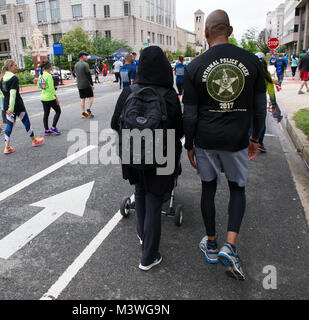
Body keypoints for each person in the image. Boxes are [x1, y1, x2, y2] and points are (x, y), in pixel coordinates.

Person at [183, 10, 266, 281]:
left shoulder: (194, 66)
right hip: (237, 140)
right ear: (229, 31)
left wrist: (189, 144)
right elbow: (259, 107)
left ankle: (210, 243)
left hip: (206, 140)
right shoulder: (252, 61)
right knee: (237, 188)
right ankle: (230, 245)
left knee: (208, 188)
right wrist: (255, 138)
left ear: (206, 33)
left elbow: (191, 112)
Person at [111, 46, 183, 271]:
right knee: (154, 199)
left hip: (132, 152)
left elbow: (115, 123)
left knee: (140, 192)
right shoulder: (169, 95)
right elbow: (179, 130)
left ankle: (143, 237)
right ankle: (148, 256)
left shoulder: (129, 92)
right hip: (163, 155)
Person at [0, 59, 45, 154]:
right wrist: (11, 108)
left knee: (9, 126)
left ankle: (7, 147)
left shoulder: (3, 77)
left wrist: (3, 97)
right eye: (15, 65)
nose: (17, 67)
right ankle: (34, 140)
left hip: (7, 106)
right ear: (9, 67)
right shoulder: (13, 78)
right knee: (26, 122)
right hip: (17, 105)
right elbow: (13, 94)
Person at [38, 61, 62, 136]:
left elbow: (39, 86)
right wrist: (56, 98)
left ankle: (46, 130)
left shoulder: (40, 75)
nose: (52, 67)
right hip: (50, 97)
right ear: (48, 68)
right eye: (51, 66)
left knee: (46, 113)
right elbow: (52, 89)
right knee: (58, 111)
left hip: (43, 97)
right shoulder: (48, 76)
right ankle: (53, 127)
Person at [75, 52, 95, 119]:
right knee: (91, 97)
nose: (86, 57)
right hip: (86, 84)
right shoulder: (85, 64)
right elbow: (88, 75)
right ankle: (88, 110)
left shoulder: (76, 64)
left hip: (79, 84)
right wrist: (92, 84)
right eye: (85, 56)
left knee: (82, 98)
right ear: (82, 56)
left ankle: (83, 113)